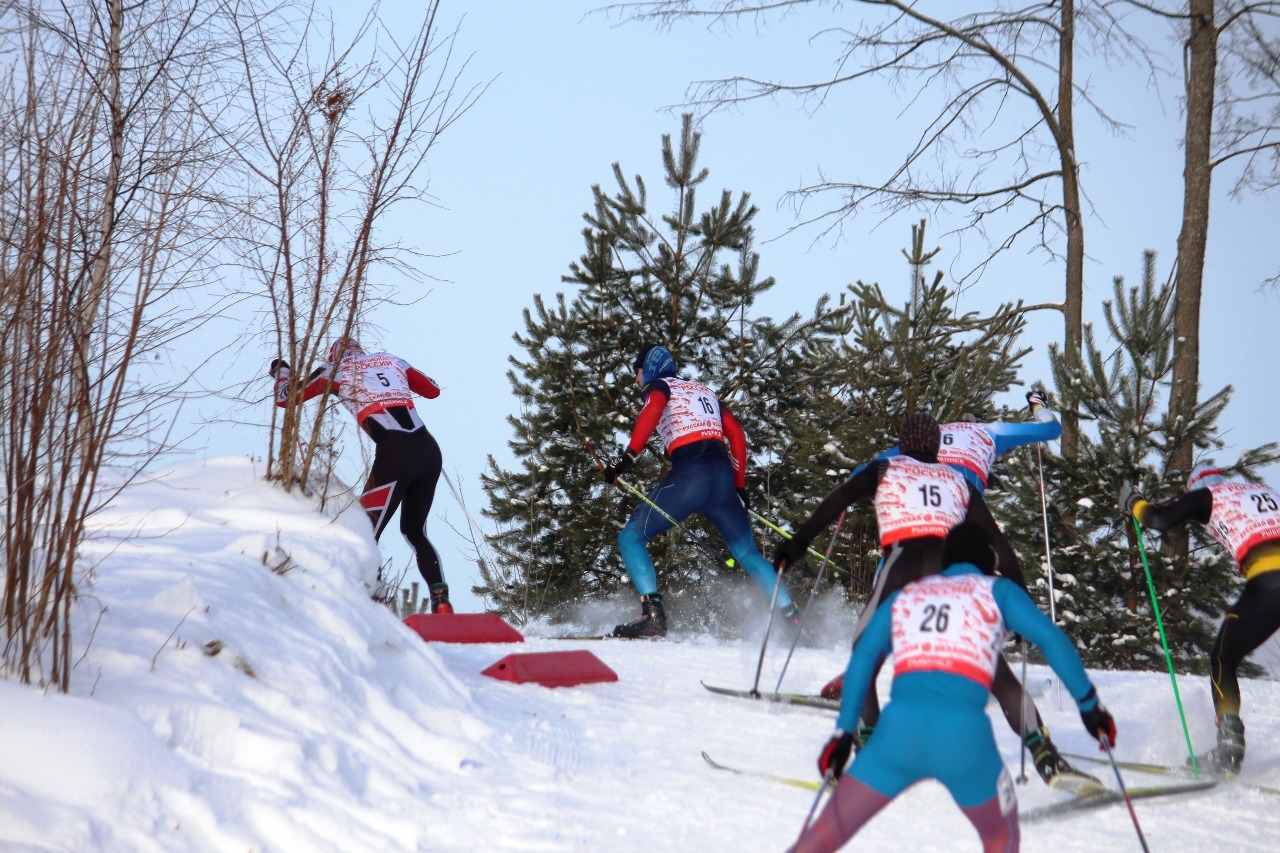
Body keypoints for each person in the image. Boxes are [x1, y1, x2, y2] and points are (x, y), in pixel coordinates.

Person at [774, 411, 1094, 789]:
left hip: (903, 567)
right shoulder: (959, 481)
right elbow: (1000, 546)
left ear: (904, 442)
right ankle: (1046, 757)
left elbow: (835, 502)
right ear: (938, 445)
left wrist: (794, 546)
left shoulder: (884, 468)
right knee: (995, 672)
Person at [790, 522, 1116, 853]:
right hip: (964, 741)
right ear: (990, 563)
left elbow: (863, 656)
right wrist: (1090, 706)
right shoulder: (997, 590)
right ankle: (1041, 753)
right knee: (1001, 839)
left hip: (896, 738)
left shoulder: (909, 594)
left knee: (817, 842)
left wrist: (844, 733)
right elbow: (1051, 639)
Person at [601, 344, 800, 638]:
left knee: (630, 538)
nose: (636, 380)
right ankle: (794, 623)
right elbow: (736, 434)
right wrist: (739, 485)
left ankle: (653, 616)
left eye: (637, 372)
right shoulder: (704, 391)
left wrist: (626, 458)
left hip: (691, 476)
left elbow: (654, 409)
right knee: (748, 554)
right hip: (722, 482)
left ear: (651, 368)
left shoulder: (659, 386)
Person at [1120, 462, 1280, 775]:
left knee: (1223, 658)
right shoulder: (1265, 491)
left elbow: (1159, 519)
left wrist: (1132, 501)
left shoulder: (1208, 495)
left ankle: (1229, 747)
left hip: (1270, 580)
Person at [271, 337, 452, 613]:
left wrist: (281, 370)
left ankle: (372, 606)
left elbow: (286, 398)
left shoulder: (334, 370)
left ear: (333, 356)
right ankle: (441, 602)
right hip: (429, 450)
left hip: (396, 452)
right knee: (414, 531)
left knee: (365, 532)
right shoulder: (392, 360)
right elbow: (433, 390)